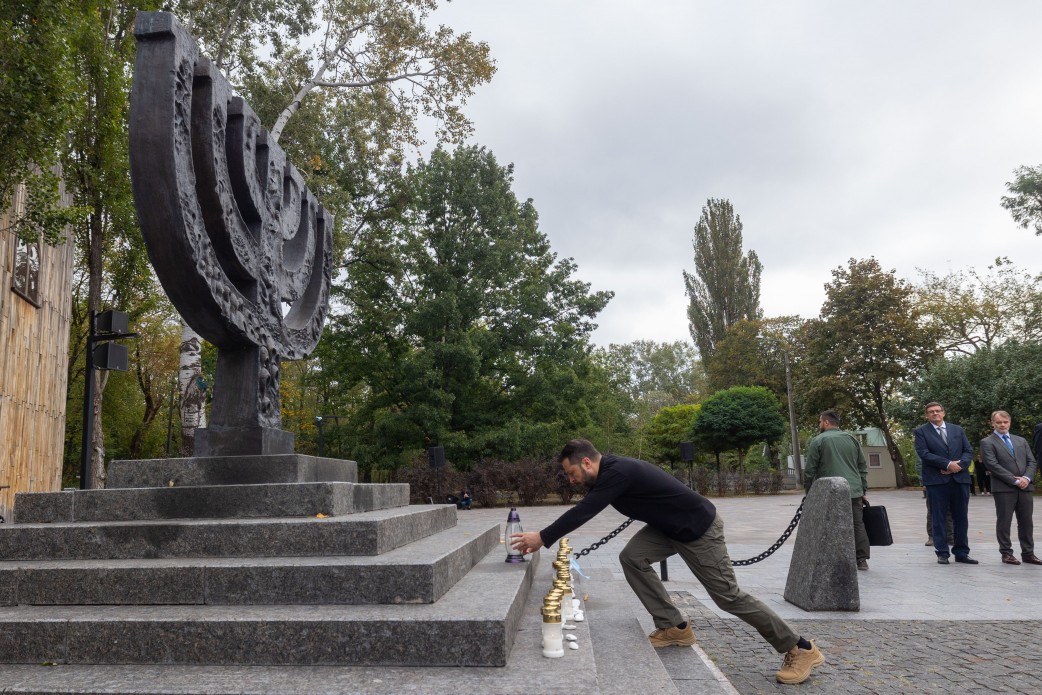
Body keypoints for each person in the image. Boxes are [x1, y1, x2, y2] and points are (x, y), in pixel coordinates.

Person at [510, 439, 825, 685]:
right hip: (669, 528)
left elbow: (585, 511)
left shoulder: (615, 472)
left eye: (572, 472)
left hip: (698, 529)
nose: (571, 479)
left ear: (588, 462)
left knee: (728, 597)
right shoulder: (608, 474)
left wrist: (543, 537)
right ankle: (674, 626)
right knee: (632, 558)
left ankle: (799, 648)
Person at [802, 410, 870, 571]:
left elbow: (810, 470)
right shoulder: (852, 440)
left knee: (829, 524)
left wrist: (809, 492)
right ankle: (861, 560)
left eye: (820, 422)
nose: (819, 425)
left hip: (830, 490)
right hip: (853, 489)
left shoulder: (818, 440)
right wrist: (863, 489)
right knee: (857, 524)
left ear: (826, 423)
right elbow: (862, 466)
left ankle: (832, 558)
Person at [913, 402, 977, 565]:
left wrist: (958, 466)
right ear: (926, 415)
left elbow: (968, 450)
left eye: (937, 411)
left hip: (959, 479)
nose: (935, 414)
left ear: (944, 412)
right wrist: (947, 464)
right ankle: (942, 552)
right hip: (936, 481)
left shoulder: (958, 430)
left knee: (961, 517)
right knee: (938, 517)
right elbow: (924, 453)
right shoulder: (921, 432)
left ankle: (961, 552)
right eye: (931, 412)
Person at [980, 411, 1040, 565]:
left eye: (1005, 422)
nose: (1002, 425)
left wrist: (1026, 478)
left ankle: (1028, 553)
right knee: (1004, 521)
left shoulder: (1020, 440)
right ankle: (1006, 553)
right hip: (1004, 488)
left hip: (1025, 487)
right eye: (999, 422)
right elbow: (992, 465)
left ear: (1010, 422)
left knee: (1026, 521)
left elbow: (1032, 461)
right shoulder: (987, 442)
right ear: (992, 423)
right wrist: (1014, 481)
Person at [915, 452, 954, 546]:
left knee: (949, 509)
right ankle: (932, 536)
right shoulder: (925, 441)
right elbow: (920, 463)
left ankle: (950, 536)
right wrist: (923, 481)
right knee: (932, 510)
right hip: (932, 481)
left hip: (949, 479)